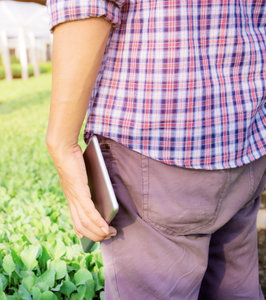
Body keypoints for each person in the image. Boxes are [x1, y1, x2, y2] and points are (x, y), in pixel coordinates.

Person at [45, 1, 266, 299]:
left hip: (154, 144)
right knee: (235, 289)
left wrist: (61, 142)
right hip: (246, 142)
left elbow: (88, 7)